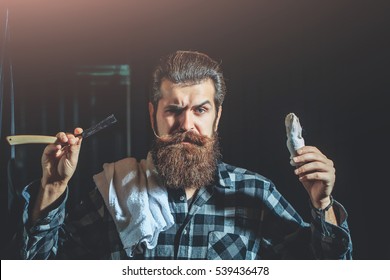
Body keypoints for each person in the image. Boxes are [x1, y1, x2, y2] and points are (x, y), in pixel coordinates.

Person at [14, 50, 352, 260]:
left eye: (200, 110)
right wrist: (53, 186)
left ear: (217, 116)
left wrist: (322, 205)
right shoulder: (114, 192)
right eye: (173, 110)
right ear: (153, 115)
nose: (186, 124)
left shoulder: (255, 193)